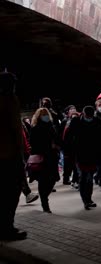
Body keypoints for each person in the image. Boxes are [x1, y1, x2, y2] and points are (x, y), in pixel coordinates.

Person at [0, 70, 28, 240]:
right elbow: (15, 130)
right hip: (8, 155)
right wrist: (21, 152)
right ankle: (6, 228)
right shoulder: (10, 100)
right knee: (11, 192)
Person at [68, 106, 101, 210]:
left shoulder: (97, 121)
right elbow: (69, 137)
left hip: (93, 155)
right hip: (80, 155)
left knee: (90, 179)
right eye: (87, 116)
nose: (89, 118)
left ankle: (89, 199)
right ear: (83, 114)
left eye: (90, 116)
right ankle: (85, 201)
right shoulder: (76, 122)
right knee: (83, 178)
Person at [29, 107, 60, 213]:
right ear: (39, 116)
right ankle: (45, 204)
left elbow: (56, 138)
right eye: (43, 114)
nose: (45, 116)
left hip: (52, 157)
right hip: (42, 158)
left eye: (46, 114)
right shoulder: (35, 128)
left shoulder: (51, 126)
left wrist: (56, 146)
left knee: (52, 180)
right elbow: (32, 143)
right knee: (43, 181)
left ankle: (44, 198)